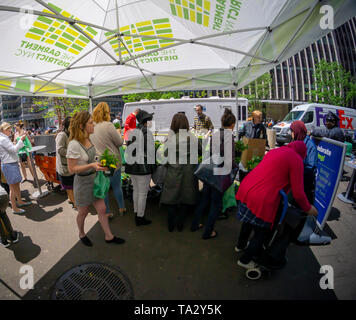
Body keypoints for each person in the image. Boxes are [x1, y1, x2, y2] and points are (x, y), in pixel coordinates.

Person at [235, 141, 318, 270]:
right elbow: (298, 194)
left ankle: (240, 245)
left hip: (246, 187)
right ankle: (245, 260)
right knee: (261, 232)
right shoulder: (296, 159)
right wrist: (308, 208)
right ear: (303, 153)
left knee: (248, 222)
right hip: (261, 198)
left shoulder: (275, 151)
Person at [66, 111, 125, 246]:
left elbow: (94, 157)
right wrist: (92, 165)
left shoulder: (88, 139)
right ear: (81, 126)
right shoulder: (74, 144)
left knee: (102, 209)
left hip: (94, 180)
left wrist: (107, 163)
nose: (94, 125)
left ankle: (109, 236)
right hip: (82, 183)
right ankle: (81, 233)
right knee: (83, 212)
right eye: (91, 123)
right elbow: (72, 169)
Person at [191, 108, 238, 239]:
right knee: (215, 204)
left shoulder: (216, 134)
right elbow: (229, 159)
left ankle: (195, 224)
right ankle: (208, 232)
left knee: (204, 199)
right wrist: (235, 167)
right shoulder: (229, 136)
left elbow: (212, 154)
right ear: (232, 124)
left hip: (210, 172)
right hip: (219, 174)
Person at [160, 113, 200, 232]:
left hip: (173, 172)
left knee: (172, 200)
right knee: (185, 200)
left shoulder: (172, 138)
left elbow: (166, 154)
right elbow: (200, 151)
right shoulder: (192, 137)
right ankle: (180, 224)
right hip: (189, 172)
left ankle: (171, 225)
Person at [90, 102, 126, 218]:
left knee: (104, 189)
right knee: (116, 186)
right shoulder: (108, 125)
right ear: (107, 112)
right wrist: (119, 133)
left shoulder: (91, 127)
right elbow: (120, 142)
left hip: (100, 161)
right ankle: (121, 208)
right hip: (112, 160)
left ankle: (108, 212)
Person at [125, 110, 155, 226]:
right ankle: (140, 217)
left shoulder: (132, 132)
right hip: (143, 168)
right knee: (142, 193)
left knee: (136, 191)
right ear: (146, 121)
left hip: (132, 166)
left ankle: (137, 212)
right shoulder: (147, 133)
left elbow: (128, 149)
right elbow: (151, 152)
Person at [0, 122, 32, 214]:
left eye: (10, 128)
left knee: (16, 185)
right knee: (12, 187)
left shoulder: (4, 138)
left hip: (10, 164)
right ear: (2, 130)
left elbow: (11, 149)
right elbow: (14, 149)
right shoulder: (3, 139)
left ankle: (20, 202)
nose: (10, 130)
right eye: (8, 129)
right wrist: (21, 140)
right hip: (9, 165)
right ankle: (14, 208)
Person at [290, 120, 318, 203]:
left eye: (292, 131)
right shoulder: (296, 141)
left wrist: (297, 171)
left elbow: (311, 167)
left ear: (298, 131)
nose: (291, 133)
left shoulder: (310, 146)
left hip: (305, 183)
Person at [56, 116, 76, 209]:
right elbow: (60, 149)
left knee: (71, 185)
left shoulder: (70, 134)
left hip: (70, 164)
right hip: (64, 166)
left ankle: (70, 199)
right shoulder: (62, 135)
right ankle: (75, 204)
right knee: (69, 186)